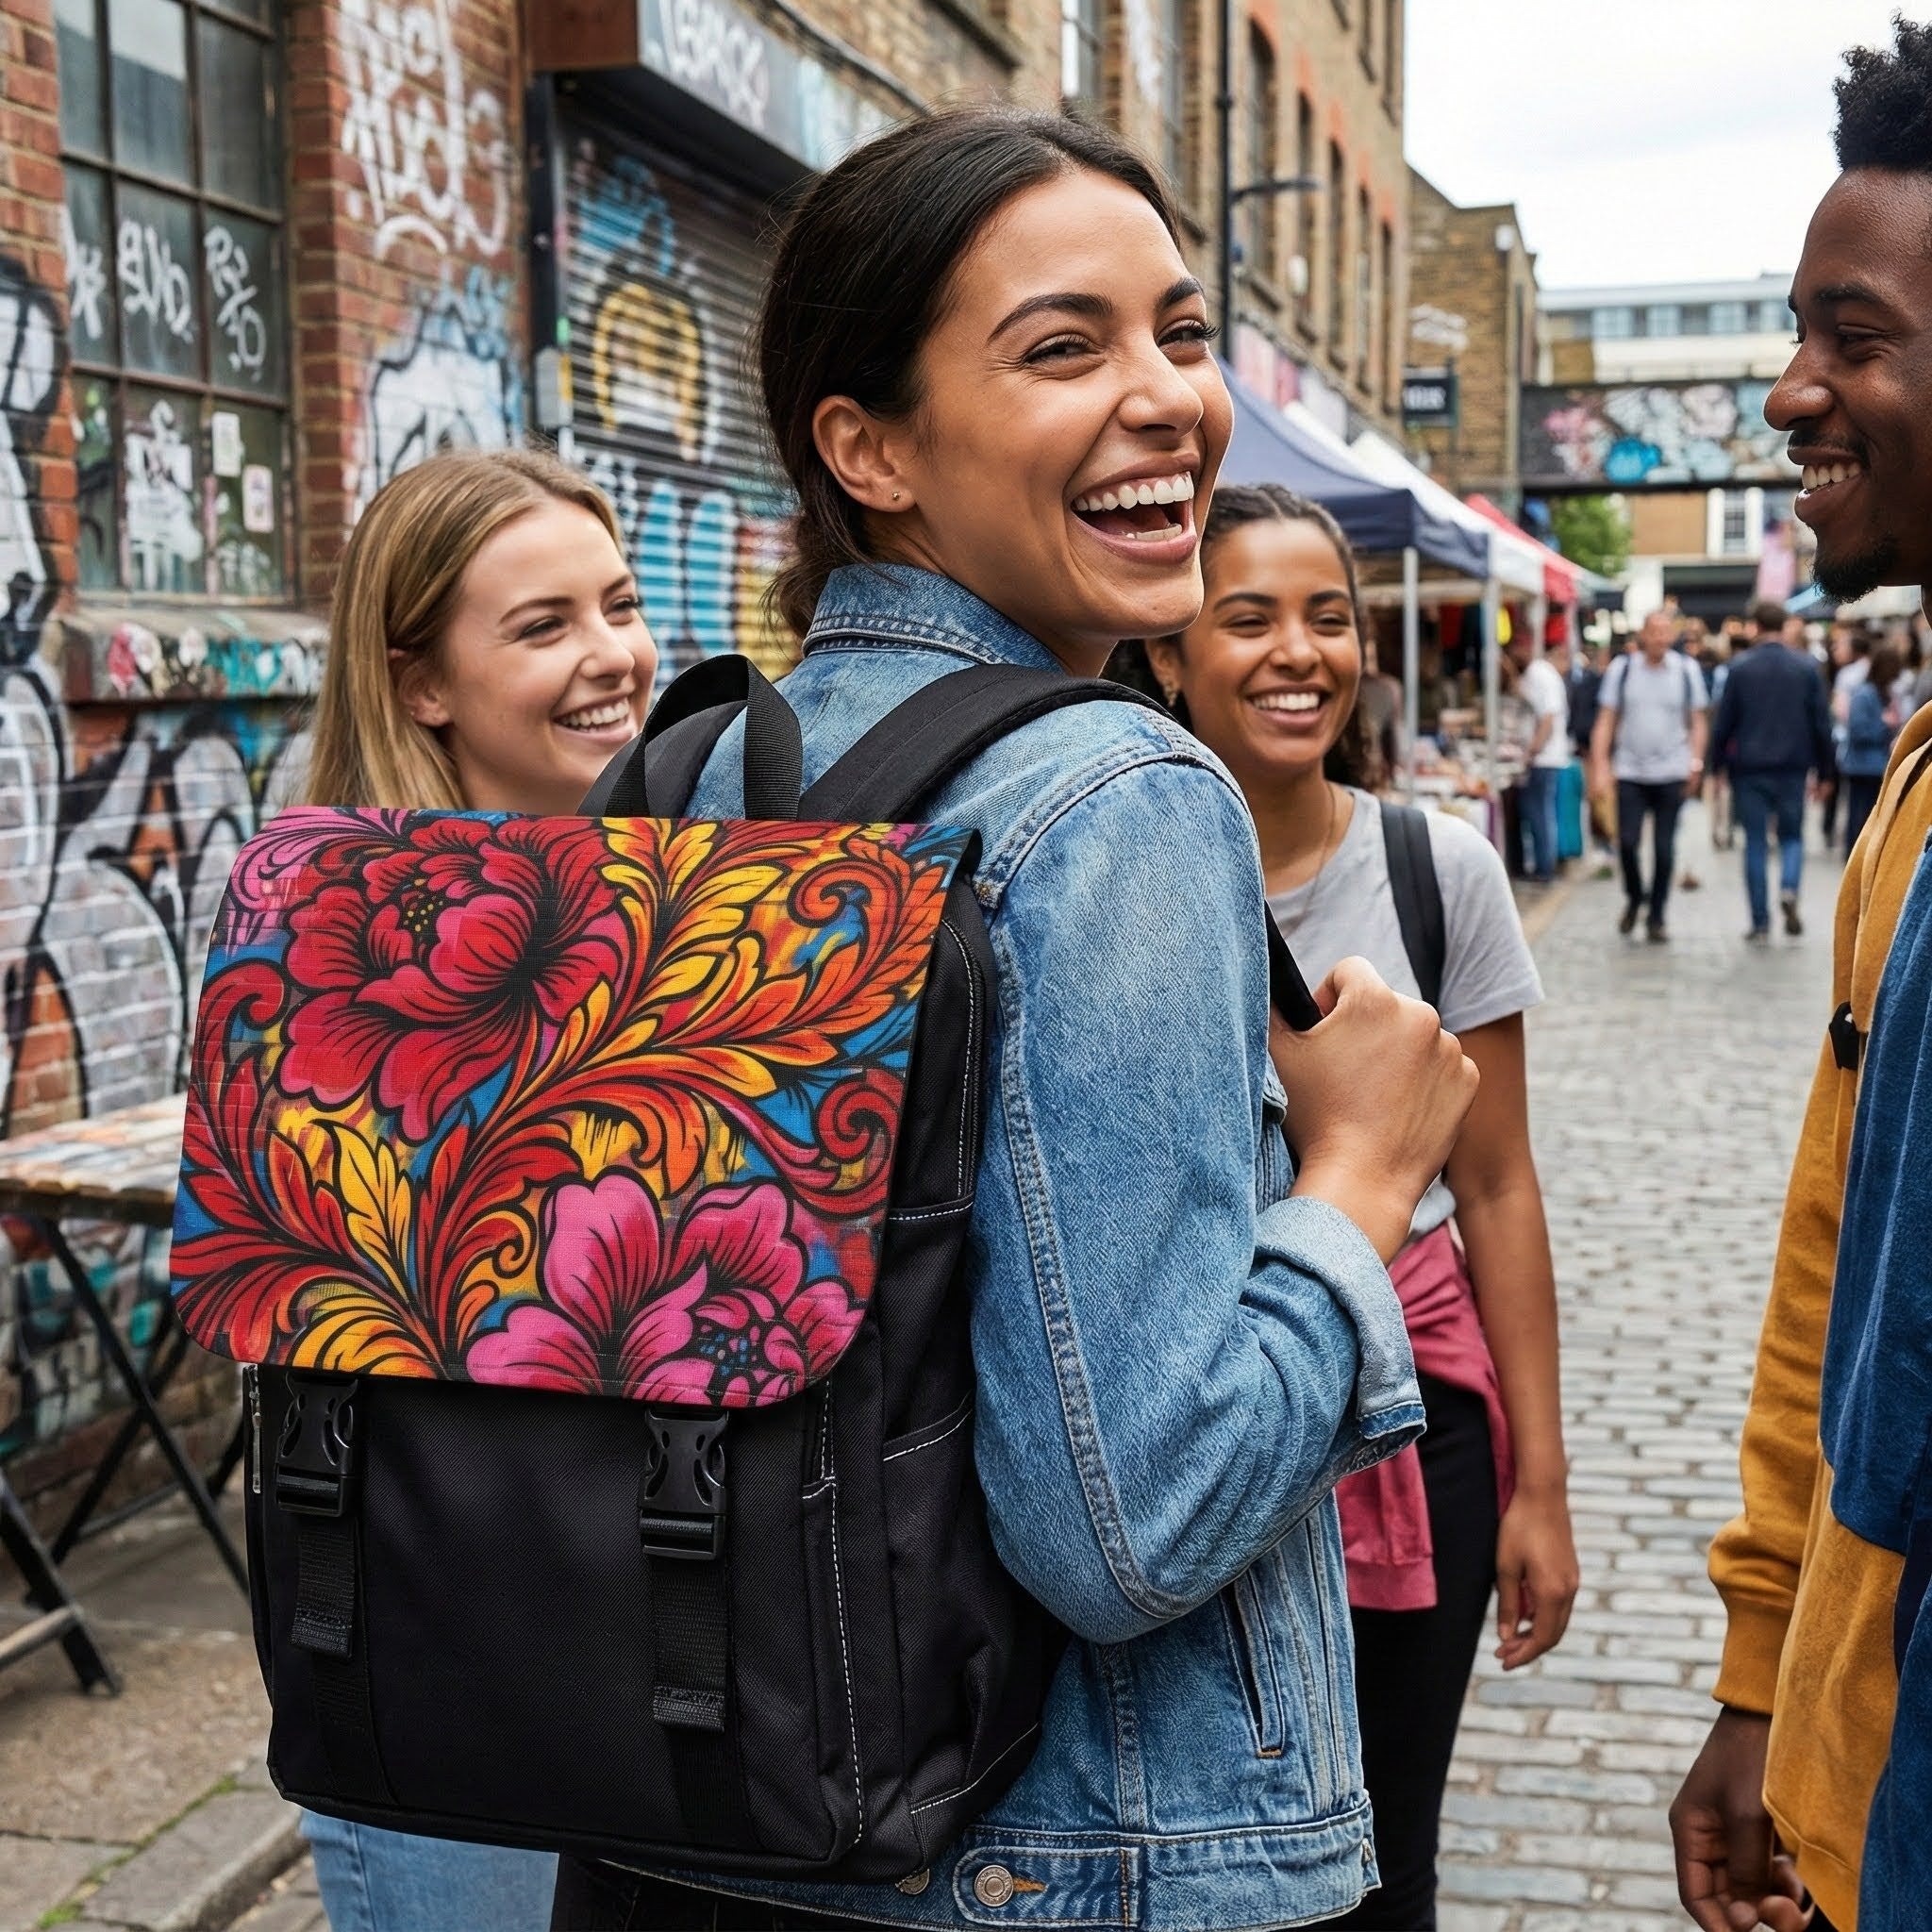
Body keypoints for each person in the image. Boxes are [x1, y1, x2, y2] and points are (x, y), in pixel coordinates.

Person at [550, 106, 1478, 1932]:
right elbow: (1131, 1525)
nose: (1170, 401)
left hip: (684, 1814)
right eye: (1063, 348)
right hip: (1043, 1861)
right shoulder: (1113, 792)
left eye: (1181, 333)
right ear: (870, 447)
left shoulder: (693, 763)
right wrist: (1363, 1175)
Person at [1139, 484, 1577, 1930]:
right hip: (1195, 1412)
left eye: (1327, 618)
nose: (1298, 652)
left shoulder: (1435, 871)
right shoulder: (1117, 876)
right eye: (1248, 617)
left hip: (1418, 1419)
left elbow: (1497, 1185)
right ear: (1169, 654)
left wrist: (1539, 1484)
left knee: (1388, 1857)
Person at [300, 447, 658, 1932]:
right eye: (543, 625)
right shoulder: (326, 942)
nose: (612, 655)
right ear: (421, 684)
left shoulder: (700, 902)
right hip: (452, 1644)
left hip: (687, 1633)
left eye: (619, 605)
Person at [1670, 20, 1932, 1932]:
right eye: (1792, 331)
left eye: (1854, 337)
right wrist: (1760, 1673)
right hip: (1860, 1784)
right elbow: (1827, 1260)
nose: (1787, 392)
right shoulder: (1909, 790)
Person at [1707, 598, 1833, 942]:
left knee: (1755, 842)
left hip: (1749, 768)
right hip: (1793, 766)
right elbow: (1821, 724)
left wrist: (1715, 767)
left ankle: (1760, 922)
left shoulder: (1740, 668)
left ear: (1756, 627)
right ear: (1783, 626)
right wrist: (1826, 772)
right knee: (1792, 836)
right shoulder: (1806, 667)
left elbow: (1724, 723)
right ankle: (1789, 887)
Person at [1588, 609, 1709, 941]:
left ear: (1672, 636)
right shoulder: (1623, 670)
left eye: (1665, 631)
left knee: (1664, 850)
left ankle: (1657, 915)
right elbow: (1606, 720)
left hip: (1672, 771)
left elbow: (1698, 721)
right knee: (1627, 842)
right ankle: (1634, 896)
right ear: (1643, 634)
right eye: (1653, 631)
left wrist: (1696, 762)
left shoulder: (1686, 671)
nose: (1659, 637)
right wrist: (1600, 766)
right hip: (1630, 771)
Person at [1506, 626, 1571, 884]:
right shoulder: (1536, 673)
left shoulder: (1539, 674)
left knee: (1538, 814)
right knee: (1536, 812)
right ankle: (1540, 867)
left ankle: (1544, 869)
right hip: (1542, 756)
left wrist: (1531, 751)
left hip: (1543, 758)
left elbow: (1548, 718)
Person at [1841, 639, 1903, 852]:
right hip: (1862, 767)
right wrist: (1884, 724)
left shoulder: (1884, 694)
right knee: (1860, 817)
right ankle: (1854, 855)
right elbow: (1858, 731)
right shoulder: (1864, 694)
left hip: (1877, 766)